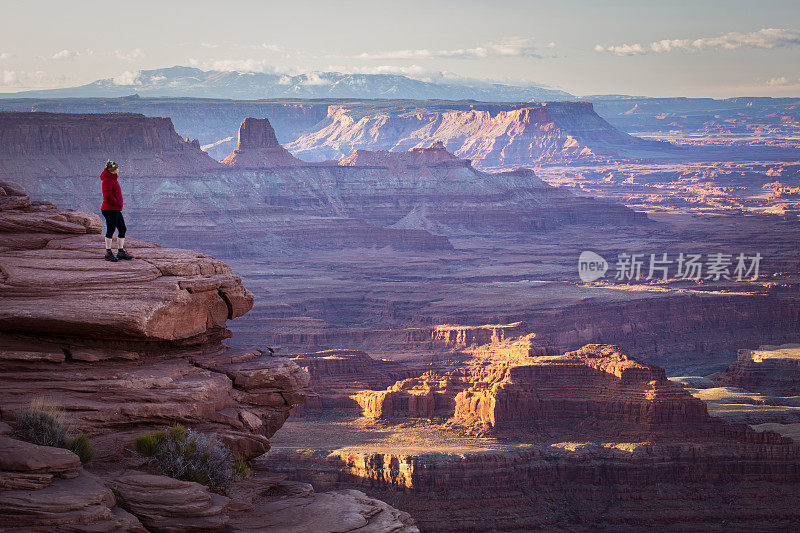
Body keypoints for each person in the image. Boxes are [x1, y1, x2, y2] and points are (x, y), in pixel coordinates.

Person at [100, 161, 133, 262]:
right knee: (111, 230)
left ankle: (120, 251)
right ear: (112, 170)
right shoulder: (107, 180)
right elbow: (107, 195)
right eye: (117, 169)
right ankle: (108, 252)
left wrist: (117, 205)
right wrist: (116, 202)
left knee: (122, 229)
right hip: (109, 209)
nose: (118, 170)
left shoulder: (113, 179)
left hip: (115, 209)